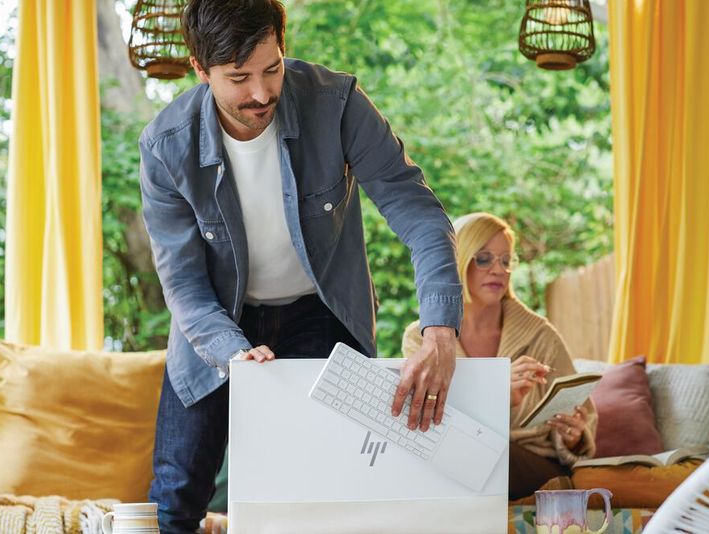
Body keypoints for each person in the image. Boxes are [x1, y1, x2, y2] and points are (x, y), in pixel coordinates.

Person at [138, 1, 462, 531]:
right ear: (200, 69)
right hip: (215, 326)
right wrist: (231, 352)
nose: (261, 94)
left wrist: (441, 329)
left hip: (319, 314)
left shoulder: (336, 103)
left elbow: (418, 212)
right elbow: (184, 283)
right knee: (175, 497)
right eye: (238, 78)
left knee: (314, 495)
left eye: (272, 69)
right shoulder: (164, 146)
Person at [402, 212, 597, 500]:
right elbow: (419, 419)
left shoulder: (540, 334)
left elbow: (583, 413)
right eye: (484, 258)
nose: (498, 270)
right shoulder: (420, 338)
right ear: (459, 261)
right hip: (454, 454)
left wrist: (575, 437)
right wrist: (495, 398)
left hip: (532, 462)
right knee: (435, 456)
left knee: (472, 459)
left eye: (506, 261)